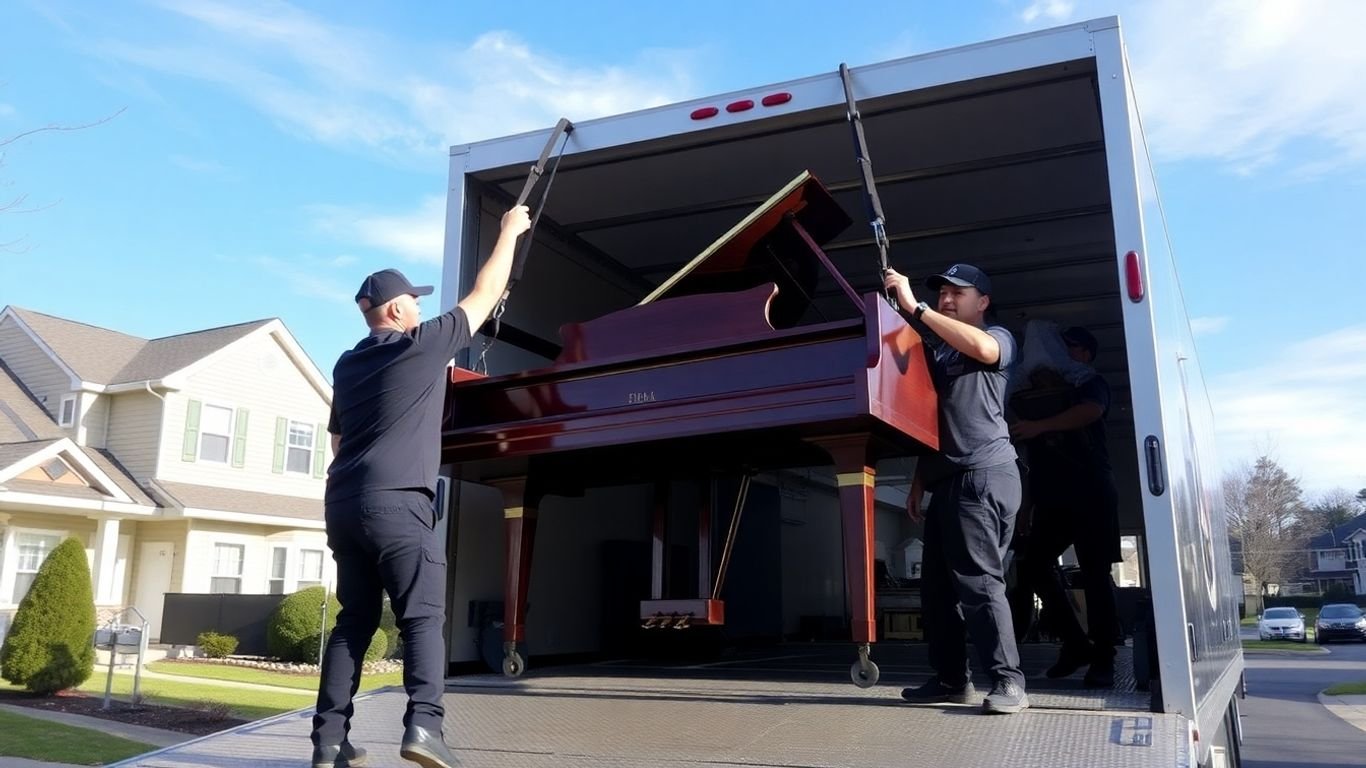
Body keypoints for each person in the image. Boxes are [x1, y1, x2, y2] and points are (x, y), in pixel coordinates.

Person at [310, 204, 531, 768]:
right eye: (415, 300)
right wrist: (509, 231)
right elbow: (484, 294)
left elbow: (337, 442)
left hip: (342, 503)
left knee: (353, 621)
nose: (421, 306)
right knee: (422, 618)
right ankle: (425, 730)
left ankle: (329, 742)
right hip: (399, 505)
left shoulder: (346, 364)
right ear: (397, 308)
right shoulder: (421, 345)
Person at [883, 263, 1028, 715]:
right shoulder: (942, 355)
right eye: (942, 291)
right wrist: (918, 481)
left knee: (979, 583)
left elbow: (984, 348)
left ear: (982, 301)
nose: (947, 297)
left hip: (983, 474)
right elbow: (934, 421)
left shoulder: (998, 337)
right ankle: (950, 679)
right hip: (947, 481)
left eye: (958, 292)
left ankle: (1009, 683)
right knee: (938, 593)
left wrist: (915, 307)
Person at [1008, 325, 1121, 688]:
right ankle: (1075, 644)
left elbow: (1090, 412)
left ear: (1085, 353)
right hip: (1051, 496)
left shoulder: (1090, 383)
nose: (1055, 354)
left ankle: (1103, 658)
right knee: (1031, 567)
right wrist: (1026, 507)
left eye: (1068, 347)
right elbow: (1029, 455)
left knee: (1094, 575)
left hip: (1091, 491)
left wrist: (1040, 426)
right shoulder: (1029, 396)